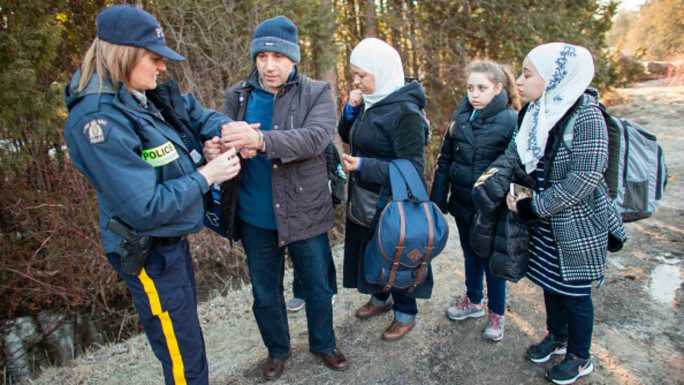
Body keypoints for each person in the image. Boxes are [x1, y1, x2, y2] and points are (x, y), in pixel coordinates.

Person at [63, 5, 241, 385]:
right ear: (123, 55)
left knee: (187, 339)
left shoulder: (140, 93)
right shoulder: (99, 120)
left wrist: (226, 132)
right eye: (155, 59)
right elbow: (145, 206)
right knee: (181, 353)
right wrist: (207, 176)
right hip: (148, 250)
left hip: (171, 242)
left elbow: (193, 114)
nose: (162, 68)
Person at [203, 16, 348, 380]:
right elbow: (226, 140)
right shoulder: (237, 95)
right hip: (254, 215)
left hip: (305, 211)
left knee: (316, 285)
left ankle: (324, 343)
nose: (269, 65)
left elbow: (315, 138)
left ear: (293, 59)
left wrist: (262, 141)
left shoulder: (317, 92)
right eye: (262, 55)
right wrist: (215, 150)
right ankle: (278, 350)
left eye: (278, 57)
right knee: (265, 293)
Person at [506, 42, 626, 384]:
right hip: (546, 224)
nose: (518, 80)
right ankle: (556, 337)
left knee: (574, 294)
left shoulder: (587, 115)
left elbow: (585, 178)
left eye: (527, 75)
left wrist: (534, 206)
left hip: (576, 225)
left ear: (556, 77)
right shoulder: (541, 111)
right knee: (549, 283)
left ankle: (580, 355)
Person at [339, 38, 430, 341]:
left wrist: (363, 166)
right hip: (365, 198)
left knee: (395, 258)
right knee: (370, 255)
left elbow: (413, 170)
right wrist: (351, 110)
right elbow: (348, 135)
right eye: (355, 74)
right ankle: (381, 298)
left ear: (382, 71)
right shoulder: (371, 101)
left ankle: (405, 312)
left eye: (362, 75)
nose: (356, 81)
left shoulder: (406, 113)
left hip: (392, 205)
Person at [430, 61, 520, 341]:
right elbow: (445, 159)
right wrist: (438, 199)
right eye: (470, 87)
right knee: (470, 254)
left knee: (492, 259)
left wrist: (506, 199)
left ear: (498, 88)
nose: (475, 93)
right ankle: (473, 301)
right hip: (462, 202)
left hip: (491, 207)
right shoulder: (460, 116)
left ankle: (497, 314)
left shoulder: (510, 120)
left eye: (482, 88)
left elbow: (516, 166)